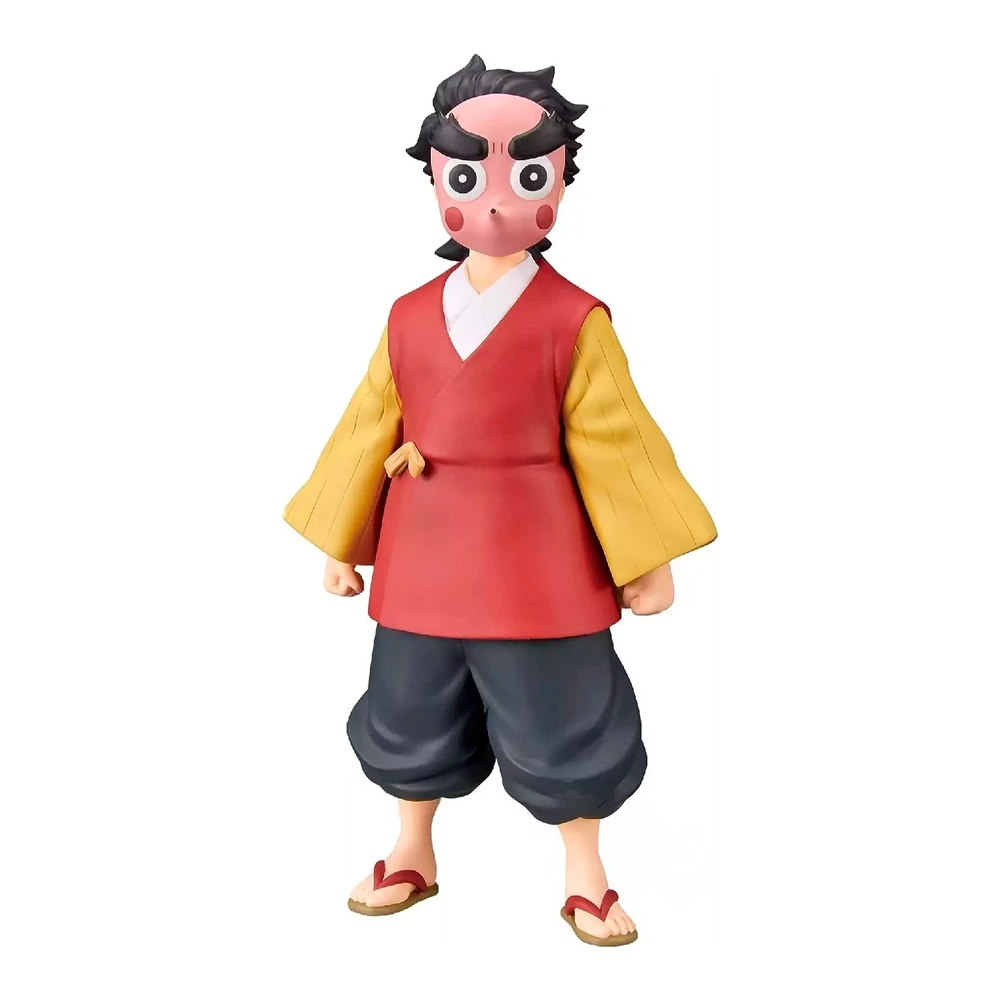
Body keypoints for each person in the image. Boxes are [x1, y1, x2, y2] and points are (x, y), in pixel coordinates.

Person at [284, 54, 717, 947]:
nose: (492, 204)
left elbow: (617, 442)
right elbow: (367, 425)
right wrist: (342, 538)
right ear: (435, 179)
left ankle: (584, 869)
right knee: (408, 709)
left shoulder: (573, 319)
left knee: (565, 715)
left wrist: (647, 555)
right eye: (465, 178)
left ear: (559, 181)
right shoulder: (408, 315)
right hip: (423, 553)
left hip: (537, 562)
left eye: (526, 178)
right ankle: (412, 846)